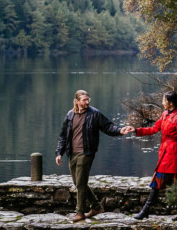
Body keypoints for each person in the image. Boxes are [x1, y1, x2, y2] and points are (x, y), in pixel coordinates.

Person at [55, 90, 130, 222]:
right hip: (72, 153)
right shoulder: (70, 115)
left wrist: (119, 130)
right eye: (84, 100)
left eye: (88, 99)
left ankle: (80, 212)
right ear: (77, 101)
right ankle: (96, 206)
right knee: (78, 183)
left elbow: (108, 127)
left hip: (87, 152)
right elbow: (63, 136)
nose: (87, 102)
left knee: (80, 183)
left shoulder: (94, 114)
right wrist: (59, 153)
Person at [132, 91, 177, 221]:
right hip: (165, 153)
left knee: (157, 182)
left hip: (174, 155)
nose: (162, 102)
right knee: (176, 184)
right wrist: (136, 130)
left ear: (170, 103)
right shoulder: (165, 114)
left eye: (164, 100)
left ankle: (145, 211)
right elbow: (153, 129)